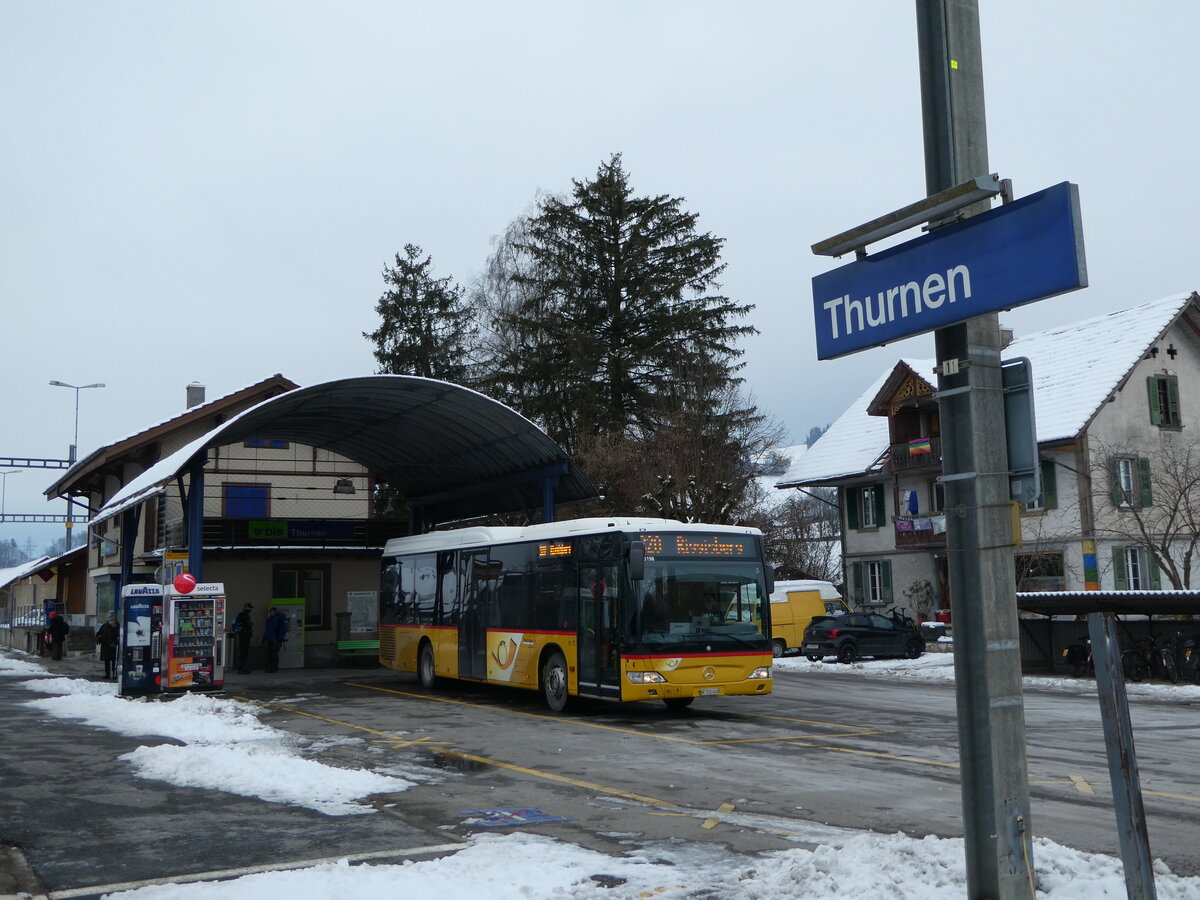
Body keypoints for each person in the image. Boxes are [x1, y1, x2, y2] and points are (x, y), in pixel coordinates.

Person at [262, 606, 289, 673]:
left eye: (272, 611)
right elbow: (267, 630)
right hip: (270, 639)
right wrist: (264, 638)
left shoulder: (278, 619)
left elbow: (283, 629)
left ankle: (274, 667)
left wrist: (279, 638)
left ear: (275, 611)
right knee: (269, 654)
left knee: (274, 653)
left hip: (276, 640)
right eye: (270, 612)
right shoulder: (269, 619)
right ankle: (270, 667)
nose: (271, 613)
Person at [230, 603, 254, 674]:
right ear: (246, 607)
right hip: (244, 635)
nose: (250, 609)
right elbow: (243, 624)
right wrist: (248, 624)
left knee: (244, 652)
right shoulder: (243, 615)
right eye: (249, 608)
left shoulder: (244, 615)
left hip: (245, 635)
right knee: (243, 652)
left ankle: (242, 667)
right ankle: (241, 668)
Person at [95, 614, 120, 680]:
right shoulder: (104, 626)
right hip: (106, 647)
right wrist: (99, 638)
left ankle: (115, 674)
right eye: (110, 621)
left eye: (113, 620)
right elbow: (99, 634)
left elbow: (120, 636)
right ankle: (107, 674)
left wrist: (116, 642)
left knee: (115, 661)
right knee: (107, 661)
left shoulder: (118, 626)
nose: (112, 622)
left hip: (114, 647)